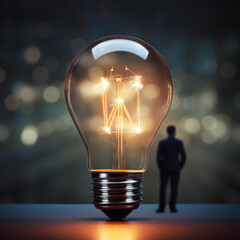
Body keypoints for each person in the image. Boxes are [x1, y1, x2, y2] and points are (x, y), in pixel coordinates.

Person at [156, 125, 186, 213]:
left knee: (162, 188)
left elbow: (158, 156)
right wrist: (180, 166)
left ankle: (162, 207)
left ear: (167, 132)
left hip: (164, 168)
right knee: (174, 188)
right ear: (174, 132)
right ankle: (172, 207)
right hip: (175, 168)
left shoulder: (162, 142)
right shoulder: (179, 142)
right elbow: (183, 156)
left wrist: (161, 166)